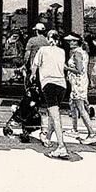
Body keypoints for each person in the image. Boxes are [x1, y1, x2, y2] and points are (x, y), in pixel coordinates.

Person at [31, 30, 69, 159]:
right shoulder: (62, 51)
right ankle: (47, 138)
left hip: (49, 84)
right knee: (53, 113)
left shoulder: (42, 49)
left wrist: (32, 76)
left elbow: (35, 65)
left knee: (56, 116)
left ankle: (61, 147)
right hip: (62, 85)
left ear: (48, 39)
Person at [64, 32, 96, 145]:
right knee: (73, 104)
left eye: (73, 41)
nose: (70, 43)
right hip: (78, 82)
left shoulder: (77, 53)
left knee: (80, 107)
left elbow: (79, 70)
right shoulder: (80, 52)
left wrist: (66, 68)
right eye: (70, 41)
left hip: (78, 82)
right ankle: (74, 129)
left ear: (77, 42)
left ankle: (92, 133)